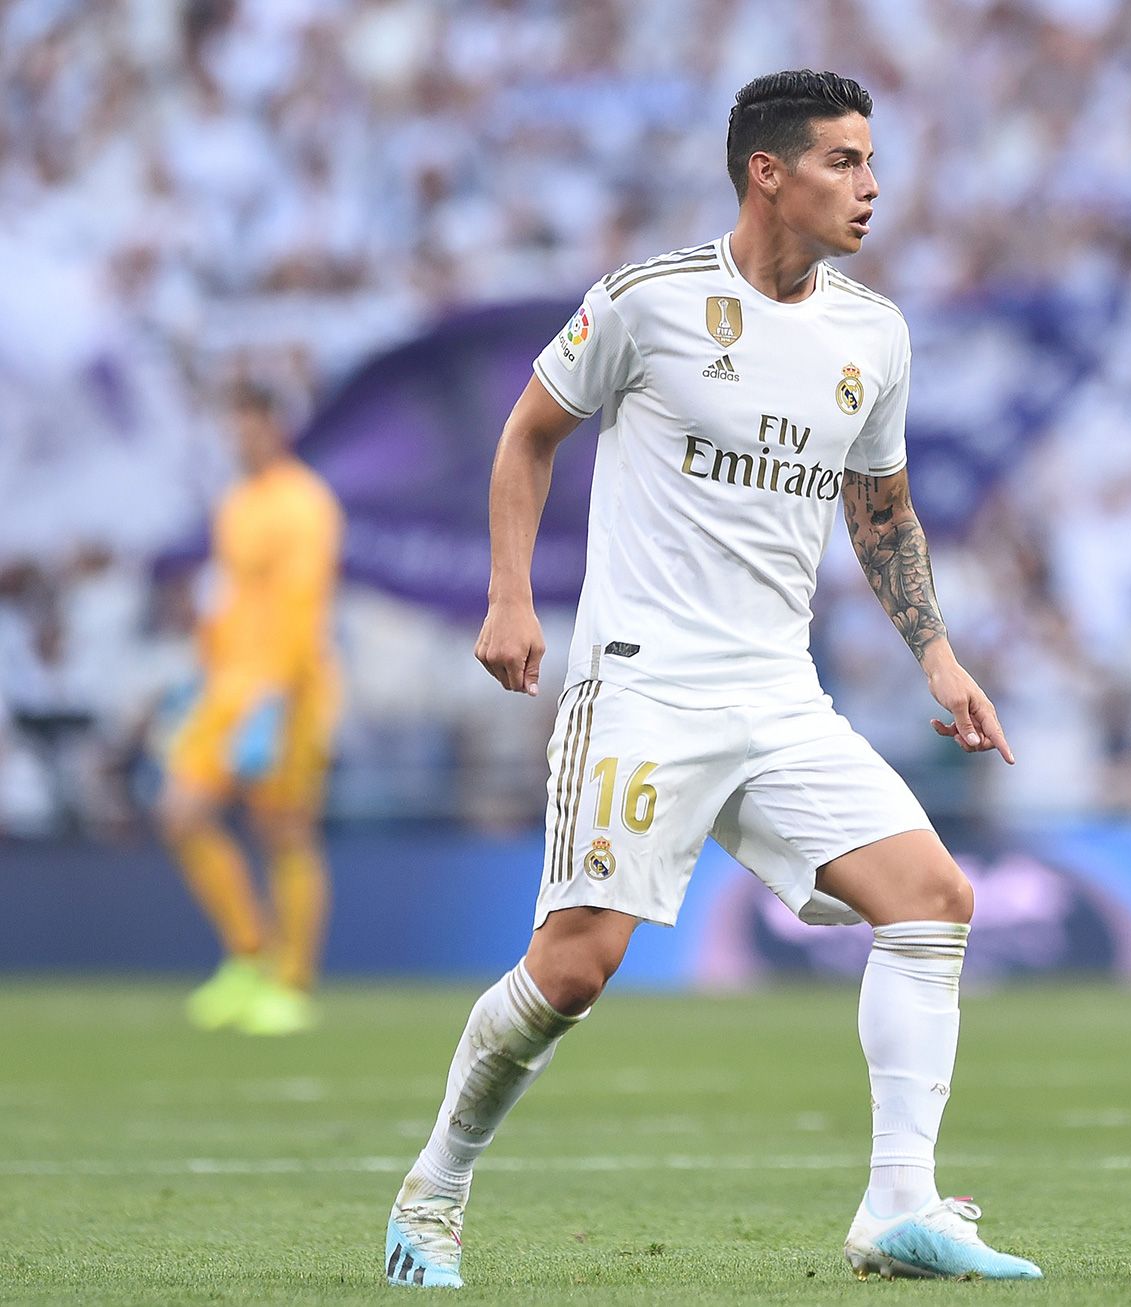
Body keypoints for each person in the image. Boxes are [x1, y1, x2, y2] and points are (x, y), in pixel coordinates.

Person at [382, 70, 1040, 1288]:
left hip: (779, 695)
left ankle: (897, 1206)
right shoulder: (648, 303)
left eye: (873, 160)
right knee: (575, 967)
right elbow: (530, 431)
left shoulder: (872, 334)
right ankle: (434, 1188)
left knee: (933, 898)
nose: (873, 186)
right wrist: (512, 596)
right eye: (845, 161)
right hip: (642, 687)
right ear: (767, 172)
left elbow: (881, 508)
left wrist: (938, 654)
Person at [158, 381, 343, 1036]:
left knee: (285, 829)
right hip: (228, 687)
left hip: (285, 690)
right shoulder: (235, 504)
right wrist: (202, 676)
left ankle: (292, 983)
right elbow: (227, 602)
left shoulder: (305, 502)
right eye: (230, 423)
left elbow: (302, 607)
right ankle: (248, 953)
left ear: (274, 425)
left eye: (248, 422)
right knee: (181, 813)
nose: (239, 436)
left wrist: (274, 695)